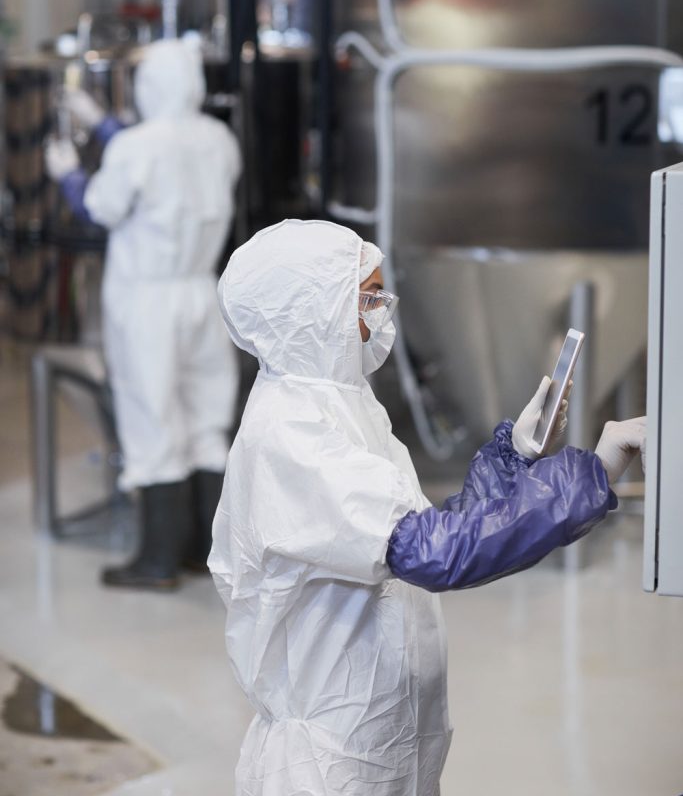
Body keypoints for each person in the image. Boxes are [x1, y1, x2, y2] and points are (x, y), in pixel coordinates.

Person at [208, 218, 646, 796]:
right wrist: (594, 472)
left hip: (386, 746)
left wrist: (510, 457)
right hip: (329, 768)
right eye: (367, 297)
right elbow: (433, 553)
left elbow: (414, 528)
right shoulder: (289, 434)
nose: (381, 313)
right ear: (310, 311)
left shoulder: (343, 403)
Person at [46, 38, 242, 590]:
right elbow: (161, 162)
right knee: (205, 419)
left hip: (148, 301)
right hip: (205, 295)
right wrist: (106, 124)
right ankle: (201, 552)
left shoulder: (136, 148)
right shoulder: (218, 139)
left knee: (152, 420)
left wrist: (67, 174)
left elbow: (101, 206)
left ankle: (155, 561)